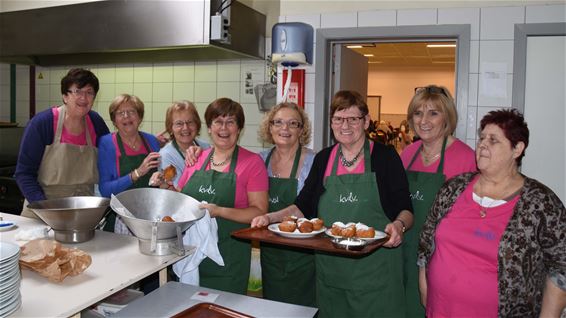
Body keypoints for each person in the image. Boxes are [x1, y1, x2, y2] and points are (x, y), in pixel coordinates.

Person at [252, 90, 413, 317]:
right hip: (332, 271)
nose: (345, 125)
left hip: (376, 270)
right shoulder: (324, 158)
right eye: (338, 119)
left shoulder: (385, 157)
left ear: (365, 121)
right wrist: (271, 217)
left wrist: (399, 225)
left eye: (353, 119)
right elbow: (302, 206)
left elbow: (405, 207)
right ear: (331, 123)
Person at [418, 109, 566, 317]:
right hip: (441, 311)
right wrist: (425, 286)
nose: (482, 145)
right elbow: (426, 242)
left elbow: (561, 265)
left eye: (494, 140)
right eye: (482, 138)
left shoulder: (540, 203)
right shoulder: (453, 188)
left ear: (517, 149)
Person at [156, 97, 268, 295]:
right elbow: (183, 201)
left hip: (228, 260)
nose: (223, 128)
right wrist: (165, 186)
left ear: (239, 128)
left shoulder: (252, 163)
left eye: (231, 122)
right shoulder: (197, 158)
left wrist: (219, 211)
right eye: (218, 121)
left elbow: (258, 212)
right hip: (191, 256)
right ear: (209, 127)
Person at [400, 84, 476, 317]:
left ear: (447, 117)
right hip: (404, 254)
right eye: (418, 113)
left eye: (433, 113)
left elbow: (472, 222)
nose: (424, 120)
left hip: (443, 260)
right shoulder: (407, 154)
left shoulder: (466, 159)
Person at [15, 68, 109, 217]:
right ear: (65, 96)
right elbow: (24, 173)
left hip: (82, 213)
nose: (83, 98)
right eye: (77, 91)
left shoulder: (96, 123)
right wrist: (46, 210)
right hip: (42, 209)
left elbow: (111, 159)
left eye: (89, 92)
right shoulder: (43, 123)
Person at [252, 102, 316, 306]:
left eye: (292, 123)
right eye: (278, 122)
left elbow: (308, 206)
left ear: (301, 129)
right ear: (269, 127)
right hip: (271, 252)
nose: (284, 129)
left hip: (304, 253)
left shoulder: (314, 161)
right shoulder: (259, 161)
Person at [97, 94, 161, 233]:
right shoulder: (107, 143)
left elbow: (161, 181)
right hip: (120, 219)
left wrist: (161, 178)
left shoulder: (151, 141)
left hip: (150, 216)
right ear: (114, 120)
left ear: (140, 117)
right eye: (120, 113)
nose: (126, 116)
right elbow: (106, 190)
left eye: (132, 112)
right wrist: (137, 173)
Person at [159, 100, 209, 188]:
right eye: (179, 124)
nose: (185, 128)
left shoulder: (206, 147)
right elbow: (178, 190)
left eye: (190, 122)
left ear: (197, 125)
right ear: (171, 128)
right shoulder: (165, 155)